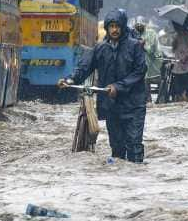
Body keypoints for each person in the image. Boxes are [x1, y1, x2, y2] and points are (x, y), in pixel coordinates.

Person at [58, 9, 148, 163]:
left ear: (123, 28)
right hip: (112, 106)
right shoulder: (100, 48)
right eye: (111, 26)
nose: (115, 30)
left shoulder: (135, 47)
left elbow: (140, 71)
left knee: (134, 145)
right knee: (117, 148)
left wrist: (118, 87)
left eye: (117, 26)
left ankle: (136, 179)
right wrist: (70, 80)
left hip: (134, 106)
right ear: (107, 28)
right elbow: (85, 67)